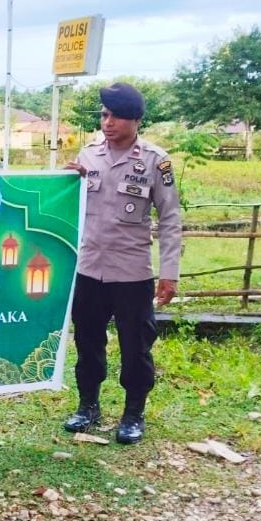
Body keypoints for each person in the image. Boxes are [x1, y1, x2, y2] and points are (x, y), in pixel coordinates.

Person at [63, 82, 182, 444]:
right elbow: (68, 206)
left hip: (131, 273)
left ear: (136, 120)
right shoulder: (87, 156)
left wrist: (169, 273)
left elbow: (170, 218)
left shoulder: (155, 162)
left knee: (135, 346)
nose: (107, 121)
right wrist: (70, 181)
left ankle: (133, 414)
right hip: (88, 269)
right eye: (104, 114)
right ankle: (88, 406)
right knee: (87, 342)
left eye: (115, 115)